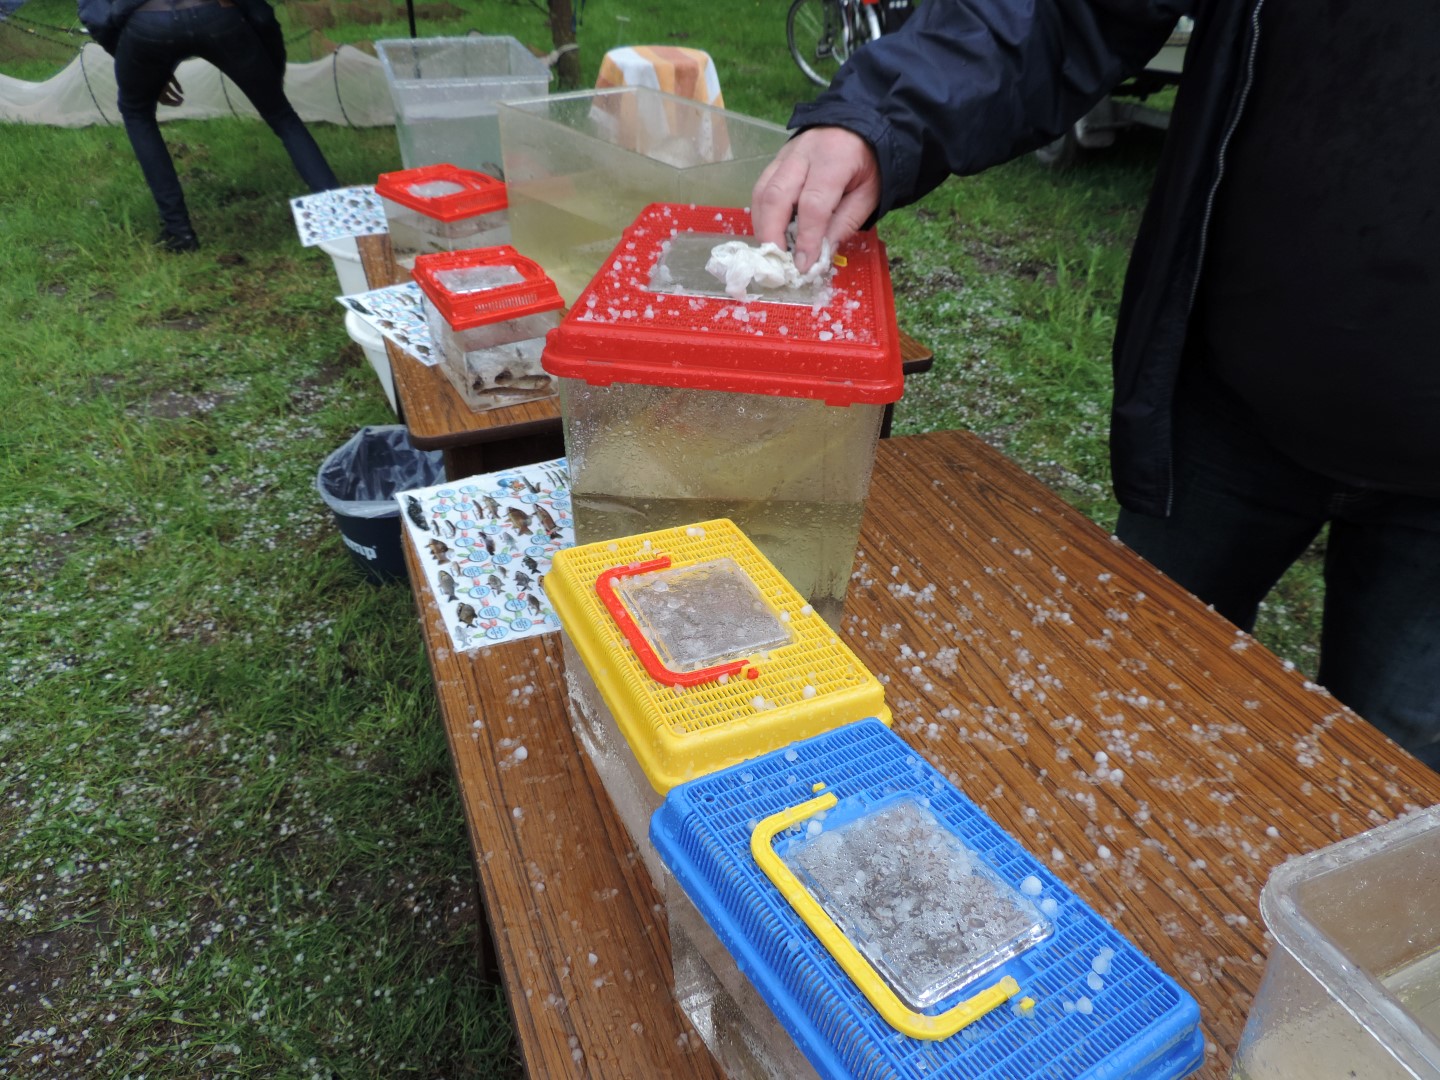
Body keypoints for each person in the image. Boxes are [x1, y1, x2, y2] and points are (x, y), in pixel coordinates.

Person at [752, 0, 1440, 768]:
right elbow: (1062, 14)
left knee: (1398, 777)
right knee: (1133, 706)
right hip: (1228, 402)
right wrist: (880, 116)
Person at [78, 0, 338, 252]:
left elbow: (96, 15)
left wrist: (134, 59)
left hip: (146, 22)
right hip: (218, 15)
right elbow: (262, 15)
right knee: (282, 116)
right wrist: (273, 71)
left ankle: (179, 231)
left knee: (137, 113)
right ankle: (337, 220)